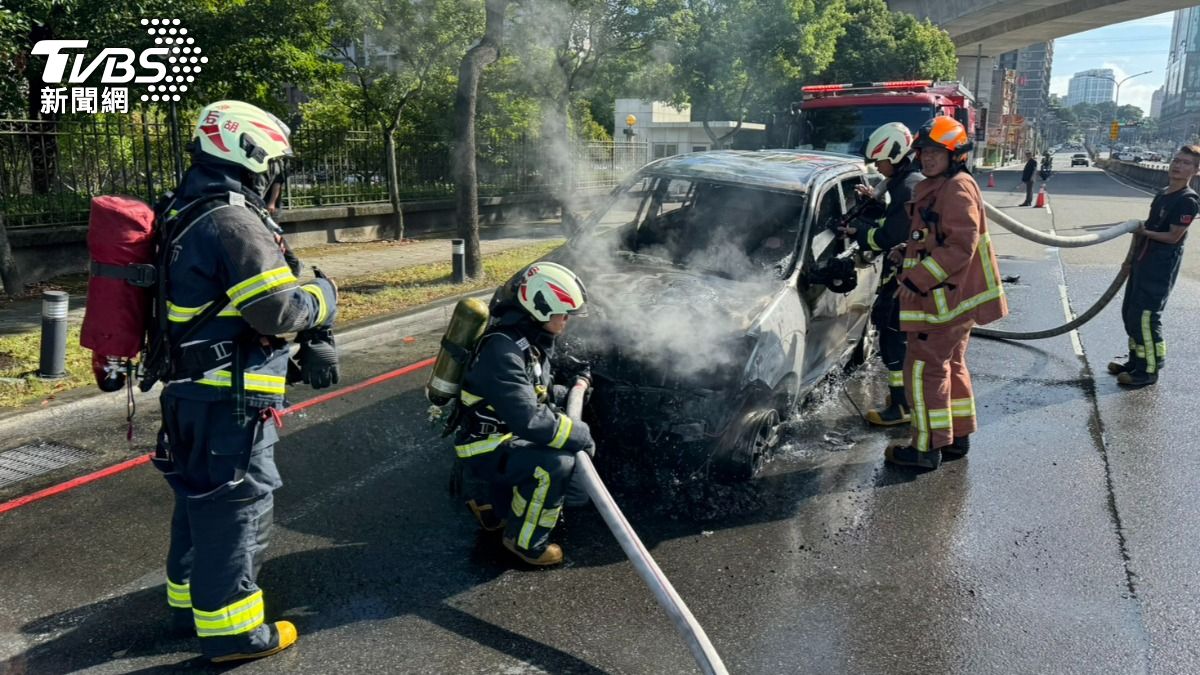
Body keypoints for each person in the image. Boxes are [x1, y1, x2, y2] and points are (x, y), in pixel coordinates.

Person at [153, 101, 339, 662]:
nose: (272, 179)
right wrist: (324, 298)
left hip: (190, 388)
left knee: (199, 497)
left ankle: (190, 601)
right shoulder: (233, 220)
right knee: (239, 502)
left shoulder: (183, 208)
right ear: (248, 152)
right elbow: (276, 312)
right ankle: (233, 631)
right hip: (229, 395)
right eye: (271, 166)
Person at [886, 116, 1008, 470]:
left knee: (923, 370)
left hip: (941, 303)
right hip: (953, 302)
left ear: (955, 154)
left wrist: (915, 279)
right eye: (924, 152)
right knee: (950, 365)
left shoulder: (955, 188)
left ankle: (924, 448)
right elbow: (934, 236)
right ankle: (955, 438)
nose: (927, 158)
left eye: (936, 152)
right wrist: (905, 250)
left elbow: (959, 247)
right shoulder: (945, 184)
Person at [454, 262, 595, 566]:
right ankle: (526, 542)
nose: (566, 321)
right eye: (563, 314)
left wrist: (568, 390)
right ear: (540, 308)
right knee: (555, 465)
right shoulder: (502, 351)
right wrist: (579, 434)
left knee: (555, 450)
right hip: (485, 445)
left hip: (501, 435)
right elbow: (529, 418)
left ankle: (489, 504)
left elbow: (532, 391)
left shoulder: (522, 340)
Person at [839, 122, 924, 426]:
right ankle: (903, 398)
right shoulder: (905, 182)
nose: (877, 167)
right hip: (907, 279)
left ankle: (901, 407)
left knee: (893, 340)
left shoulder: (906, 187)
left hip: (905, 282)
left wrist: (856, 231)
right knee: (896, 339)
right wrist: (875, 202)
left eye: (880, 161)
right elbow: (895, 220)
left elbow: (888, 236)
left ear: (896, 154)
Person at [1108, 145, 1200, 387]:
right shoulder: (1163, 193)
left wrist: (1142, 231)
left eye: (1185, 163)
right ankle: (1136, 361)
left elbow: (1173, 237)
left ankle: (1148, 371)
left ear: (1195, 170)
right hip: (1143, 261)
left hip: (1159, 267)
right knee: (1130, 313)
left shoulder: (1187, 200)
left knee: (1146, 317)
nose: (1178, 166)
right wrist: (1132, 258)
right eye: (1176, 160)